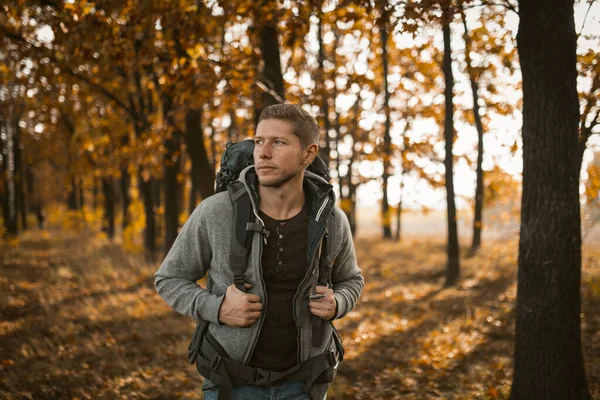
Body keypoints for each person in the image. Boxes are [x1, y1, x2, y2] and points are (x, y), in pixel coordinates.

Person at [154, 103, 364, 400]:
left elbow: (352, 280)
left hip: (305, 384)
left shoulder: (331, 219)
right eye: (258, 141)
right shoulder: (216, 213)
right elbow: (169, 278)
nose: (263, 152)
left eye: (278, 142)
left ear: (308, 153)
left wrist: (338, 303)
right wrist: (217, 308)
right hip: (231, 380)